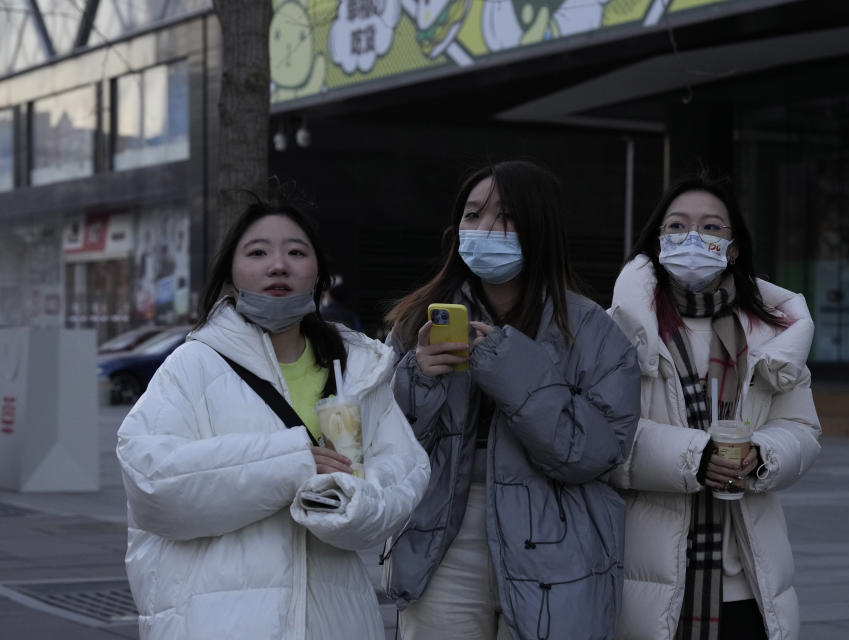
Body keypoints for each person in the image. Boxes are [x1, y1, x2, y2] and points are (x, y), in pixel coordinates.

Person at [116, 196, 430, 640]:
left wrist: (344, 500)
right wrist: (293, 464)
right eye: (258, 252)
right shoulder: (193, 366)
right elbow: (151, 482)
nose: (278, 265)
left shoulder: (360, 369)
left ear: (319, 272)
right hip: (218, 622)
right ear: (231, 272)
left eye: (296, 252)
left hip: (336, 622)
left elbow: (404, 473)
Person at [381, 160, 643, 640]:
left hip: (558, 537)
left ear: (540, 227)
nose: (484, 229)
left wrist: (513, 370)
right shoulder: (418, 322)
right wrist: (417, 378)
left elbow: (596, 452)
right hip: (442, 536)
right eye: (472, 214)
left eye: (505, 217)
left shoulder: (592, 330)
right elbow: (385, 442)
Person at [607, 173, 822, 640]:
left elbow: (802, 428)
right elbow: (601, 438)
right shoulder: (620, 329)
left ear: (734, 246)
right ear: (657, 241)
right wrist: (694, 458)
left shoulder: (773, 333)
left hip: (748, 579)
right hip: (650, 577)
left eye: (711, 227)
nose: (693, 238)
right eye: (677, 226)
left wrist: (763, 455)